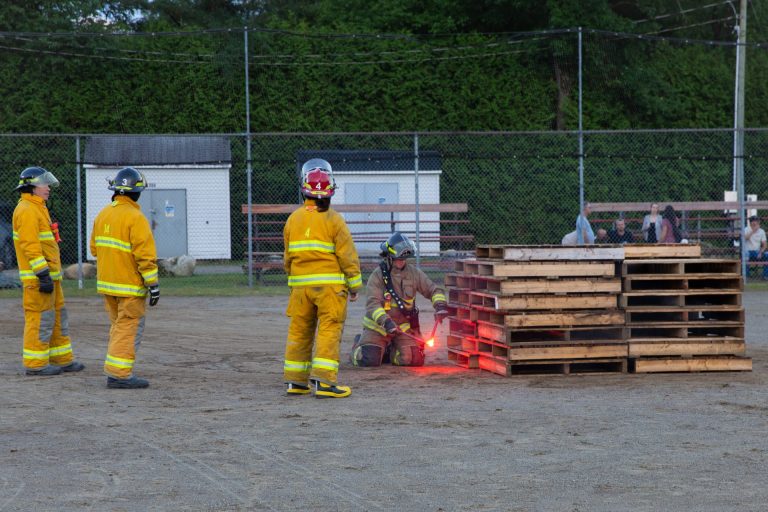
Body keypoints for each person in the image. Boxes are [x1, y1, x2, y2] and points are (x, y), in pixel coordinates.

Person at [283, 158, 363, 398]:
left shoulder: (293, 219)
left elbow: (287, 258)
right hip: (330, 290)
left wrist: (295, 281)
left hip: (300, 290)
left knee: (299, 332)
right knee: (329, 330)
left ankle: (296, 382)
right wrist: (354, 285)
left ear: (304, 189)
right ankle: (325, 383)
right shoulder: (334, 219)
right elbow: (347, 255)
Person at [90, 167, 159, 389]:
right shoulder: (136, 217)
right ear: (135, 192)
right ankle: (119, 374)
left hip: (107, 285)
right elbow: (145, 256)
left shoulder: (103, 214)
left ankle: (116, 371)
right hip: (129, 286)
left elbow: (94, 249)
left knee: (118, 327)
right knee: (128, 327)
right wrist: (153, 285)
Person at [12, 167, 85, 376]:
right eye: (44, 184)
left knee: (58, 316)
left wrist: (49, 275)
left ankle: (62, 359)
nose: (48, 188)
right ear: (32, 187)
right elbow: (30, 246)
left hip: (50, 277)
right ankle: (36, 364)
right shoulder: (26, 209)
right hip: (38, 279)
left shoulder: (38, 207)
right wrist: (42, 274)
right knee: (39, 319)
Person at [350, 232, 449, 368]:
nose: (402, 262)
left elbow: (433, 290)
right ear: (389, 257)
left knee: (414, 360)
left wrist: (440, 305)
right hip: (378, 327)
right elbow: (373, 304)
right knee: (369, 359)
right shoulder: (377, 276)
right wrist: (386, 322)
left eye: (404, 259)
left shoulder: (414, 273)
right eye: (398, 259)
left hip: (402, 327)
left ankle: (390, 350)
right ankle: (358, 345)